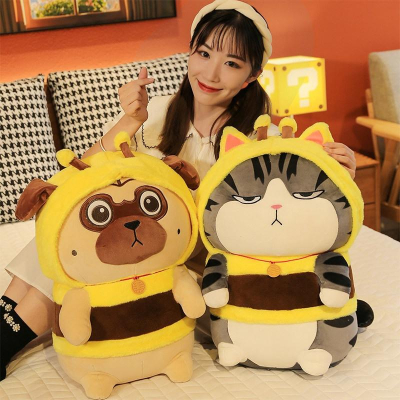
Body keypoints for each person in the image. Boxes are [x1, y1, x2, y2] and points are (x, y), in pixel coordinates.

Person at [1, 0, 363, 380]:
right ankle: (6, 320)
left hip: (203, 270)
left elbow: (292, 214)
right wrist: (130, 121)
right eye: (203, 53)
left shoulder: (262, 139)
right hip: (142, 249)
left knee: (81, 253)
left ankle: (8, 334)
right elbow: (81, 177)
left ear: (252, 75)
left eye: (231, 63)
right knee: (65, 231)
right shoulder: (155, 113)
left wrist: (344, 173)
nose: (210, 72)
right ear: (190, 53)